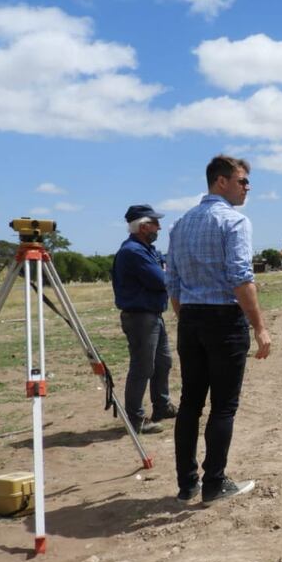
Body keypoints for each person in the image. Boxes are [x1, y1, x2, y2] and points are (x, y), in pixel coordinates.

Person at [166, 155, 272, 507]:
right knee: (223, 407)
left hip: (191, 320)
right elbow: (241, 278)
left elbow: (174, 285)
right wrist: (259, 327)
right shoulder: (235, 222)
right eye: (242, 181)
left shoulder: (180, 225)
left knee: (190, 403)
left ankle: (186, 484)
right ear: (221, 182)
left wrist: (188, 318)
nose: (247, 188)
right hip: (224, 320)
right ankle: (214, 482)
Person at [112, 204, 176, 435]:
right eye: (155, 223)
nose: (159, 227)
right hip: (140, 317)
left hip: (152, 315)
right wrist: (169, 271)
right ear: (143, 226)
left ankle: (162, 405)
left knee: (163, 362)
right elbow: (162, 279)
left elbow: (165, 268)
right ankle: (136, 419)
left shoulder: (145, 248)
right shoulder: (134, 252)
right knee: (143, 367)